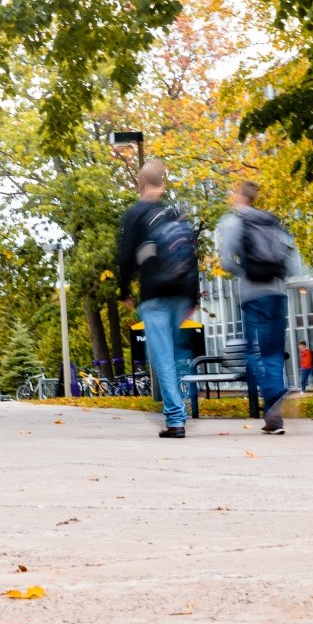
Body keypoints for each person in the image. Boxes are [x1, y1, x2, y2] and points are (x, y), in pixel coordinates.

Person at [115, 159, 200, 438]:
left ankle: (176, 419)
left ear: (140, 184)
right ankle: (183, 403)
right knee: (177, 353)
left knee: (162, 356)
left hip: (154, 295)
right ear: (161, 184)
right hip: (179, 293)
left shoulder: (135, 214)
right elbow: (191, 254)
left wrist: (124, 290)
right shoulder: (173, 214)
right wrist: (192, 296)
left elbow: (126, 255)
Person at [216, 179, 301, 433]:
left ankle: (275, 393)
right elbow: (292, 259)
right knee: (274, 352)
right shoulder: (272, 222)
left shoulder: (234, 222)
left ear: (239, 197)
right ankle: (274, 419)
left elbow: (225, 260)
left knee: (252, 353)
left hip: (253, 295)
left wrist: (245, 272)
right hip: (277, 292)